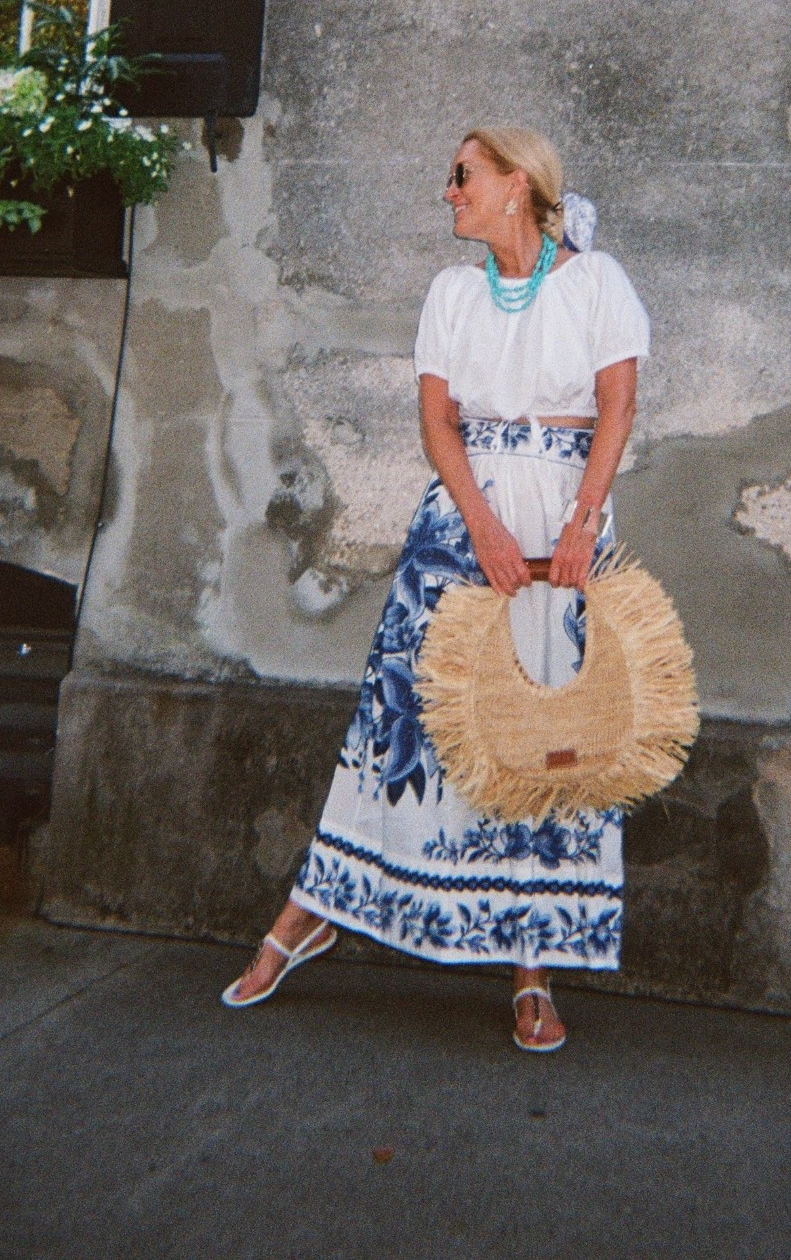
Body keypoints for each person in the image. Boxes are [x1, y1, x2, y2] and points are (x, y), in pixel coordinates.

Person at [220, 126, 650, 1053]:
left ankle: (534, 969)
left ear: (516, 185)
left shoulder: (598, 282)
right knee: (402, 716)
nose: (448, 192)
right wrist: (482, 527)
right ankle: (315, 911)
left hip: (568, 517)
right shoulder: (453, 292)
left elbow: (617, 404)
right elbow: (437, 421)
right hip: (465, 517)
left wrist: (581, 524)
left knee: (548, 733)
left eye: (463, 176)